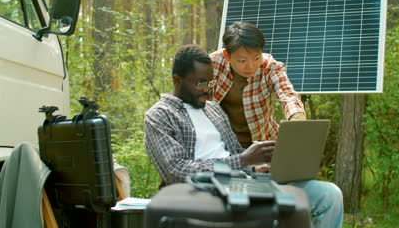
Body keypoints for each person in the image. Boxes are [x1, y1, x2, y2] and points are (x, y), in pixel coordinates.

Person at [144, 44, 343, 228]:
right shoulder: (161, 115)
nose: (207, 90)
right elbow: (176, 171)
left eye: (211, 83)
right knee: (281, 214)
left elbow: (236, 154)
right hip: (208, 191)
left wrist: (257, 165)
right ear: (177, 80)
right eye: (200, 83)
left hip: (248, 183)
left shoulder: (213, 110)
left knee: (328, 195)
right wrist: (243, 160)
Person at [210, 22, 305, 148]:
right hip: (222, 144)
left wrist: (297, 118)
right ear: (227, 56)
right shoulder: (212, 64)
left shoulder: (269, 67)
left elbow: (287, 94)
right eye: (242, 61)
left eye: (256, 58)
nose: (251, 66)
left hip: (262, 142)